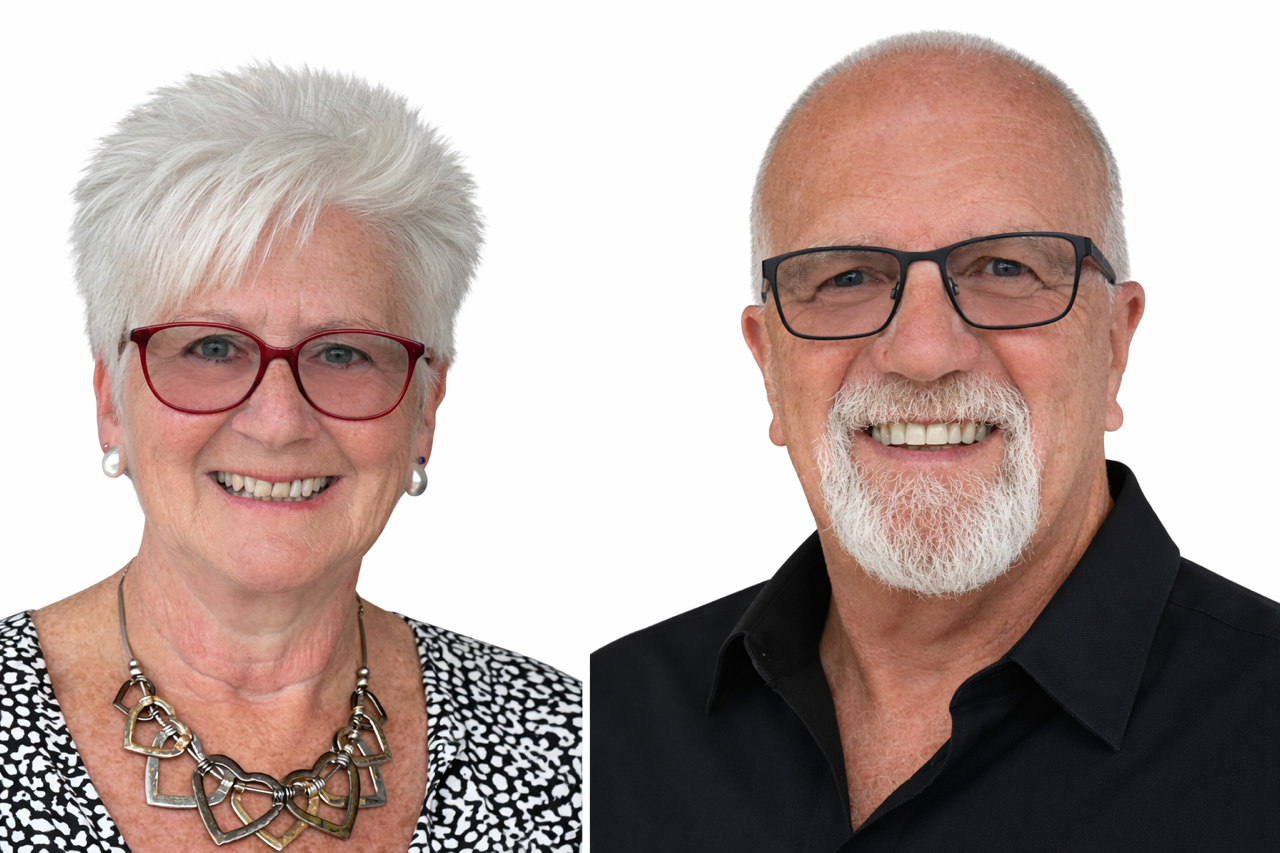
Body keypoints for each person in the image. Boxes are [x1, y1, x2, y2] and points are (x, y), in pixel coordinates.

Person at [591, 31, 1279, 851]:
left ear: (1115, 346)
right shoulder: (607, 725)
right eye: (847, 277)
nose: (922, 351)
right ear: (768, 364)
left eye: (1004, 268)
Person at [0, 64, 580, 852]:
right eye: (210, 346)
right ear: (110, 400)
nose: (278, 421)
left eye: (343, 353)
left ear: (424, 410)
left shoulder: (565, 741)